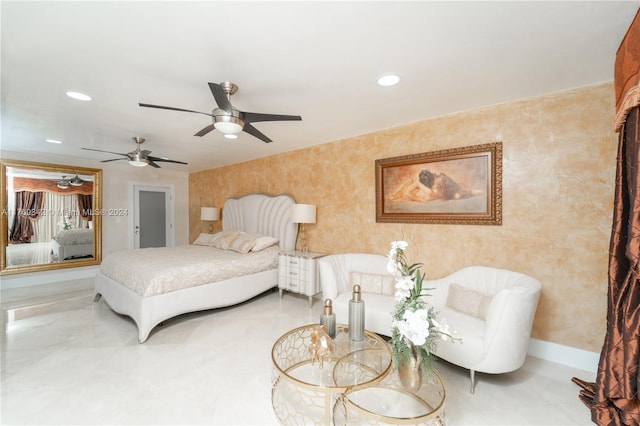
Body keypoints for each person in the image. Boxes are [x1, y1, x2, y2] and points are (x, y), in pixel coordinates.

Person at [389, 168, 473, 202]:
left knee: (457, 194)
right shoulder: (421, 185)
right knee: (409, 181)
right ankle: (395, 195)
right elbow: (407, 192)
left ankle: (395, 195)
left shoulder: (435, 180)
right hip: (413, 191)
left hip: (426, 191)